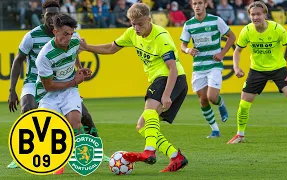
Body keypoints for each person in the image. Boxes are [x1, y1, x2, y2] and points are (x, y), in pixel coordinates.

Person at [80, 2, 188, 172]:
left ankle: (149, 151)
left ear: (149, 20)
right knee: (142, 126)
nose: (136, 28)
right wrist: (86, 47)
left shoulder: (161, 36)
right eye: (133, 24)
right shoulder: (132, 33)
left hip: (171, 79)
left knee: (149, 109)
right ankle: (176, 157)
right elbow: (110, 48)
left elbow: (172, 68)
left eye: (140, 24)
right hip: (160, 80)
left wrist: (167, 95)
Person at [7, 0, 108, 169]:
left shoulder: (67, 33)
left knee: (85, 115)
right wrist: (12, 90)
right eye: (49, 15)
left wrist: (80, 69)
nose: (52, 17)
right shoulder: (32, 36)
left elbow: (73, 52)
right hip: (34, 81)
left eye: (55, 14)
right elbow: (18, 61)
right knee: (28, 108)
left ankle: (96, 149)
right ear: (43, 16)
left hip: (61, 81)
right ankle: (23, 154)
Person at [228, 1, 287, 144]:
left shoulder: (277, 28)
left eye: (258, 14)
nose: (255, 17)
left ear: (265, 15)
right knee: (244, 104)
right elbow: (237, 51)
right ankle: (240, 135)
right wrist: (236, 67)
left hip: (279, 70)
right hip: (257, 70)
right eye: (252, 14)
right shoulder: (247, 30)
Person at [35, 13, 90, 174]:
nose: (69, 37)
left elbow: (75, 54)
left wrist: (79, 69)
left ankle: (81, 154)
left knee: (75, 121)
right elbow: (49, 86)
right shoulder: (44, 56)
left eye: (71, 34)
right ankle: (58, 159)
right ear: (55, 32)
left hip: (69, 90)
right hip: (48, 94)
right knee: (51, 127)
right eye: (65, 34)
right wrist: (75, 81)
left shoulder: (74, 41)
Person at [180, 0, 236, 138]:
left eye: (200, 3)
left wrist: (222, 54)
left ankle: (220, 103)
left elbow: (232, 36)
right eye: (194, 4)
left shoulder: (216, 20)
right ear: (192, 6)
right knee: (203, 100)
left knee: (212, 97)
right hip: (198, 66)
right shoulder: (188, 24)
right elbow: (182, 45)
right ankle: (215, 130)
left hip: (214, 64)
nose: (197, 6)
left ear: (205, 4)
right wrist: (188, 50)